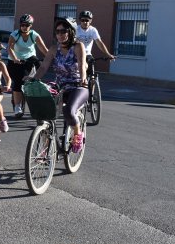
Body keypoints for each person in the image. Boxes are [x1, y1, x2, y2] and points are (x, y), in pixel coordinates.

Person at [33, 18, 88, 153]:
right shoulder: (53, 49)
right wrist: (33, 79)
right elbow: (44, 67)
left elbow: (81, 65)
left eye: (63, 31)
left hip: (77, 86)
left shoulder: (77, 46)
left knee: (68, 111)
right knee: (44, 114)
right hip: (60, 87)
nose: (60, 34)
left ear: (70, 32)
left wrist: (83, 79)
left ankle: (78, 134)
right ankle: (46, 146)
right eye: (57, 32)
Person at [7, 14, 49, 118]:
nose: (24, 27)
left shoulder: (34, 35)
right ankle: (17, 106)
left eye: (27, 25)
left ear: (31, 26)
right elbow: (10, 48)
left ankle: (36, 94)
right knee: (18, 82)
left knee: (38, 72)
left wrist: (51, 58)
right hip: (15, 61)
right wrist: (15, 58)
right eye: (22, 25)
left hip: (30, 58)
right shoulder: (15, 34)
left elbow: (44, 49)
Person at [76, 10, 116, 76]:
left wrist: (108, 54)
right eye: (82, 20)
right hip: (76, 55)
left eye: (87, 20)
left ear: (90, 21)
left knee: (92, 76)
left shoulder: (93, 30)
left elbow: (99, 43)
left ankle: (92, 84)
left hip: (87, 55)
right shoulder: (76, 29)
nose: (85, 22)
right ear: (80, 20)